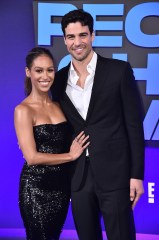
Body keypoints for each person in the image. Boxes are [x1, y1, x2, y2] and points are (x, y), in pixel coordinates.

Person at [51, 9, 145, 240]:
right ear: (65, 40)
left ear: (93, 35)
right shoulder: (59, 79)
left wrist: (137, 175)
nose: (77, 42)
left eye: (83, 35)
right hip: (79, 176)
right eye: (71, 37)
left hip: (116, 173)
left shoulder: (118, 71)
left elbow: (134, 125)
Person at [14, 47, 89, 240]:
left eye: (50, 70)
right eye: (39, 70)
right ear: (28, 72)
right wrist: (70, 156)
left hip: (61, 189)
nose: (45, 76)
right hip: (36, 188)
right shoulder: (23, 110)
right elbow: (31, 157)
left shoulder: (59, 105)